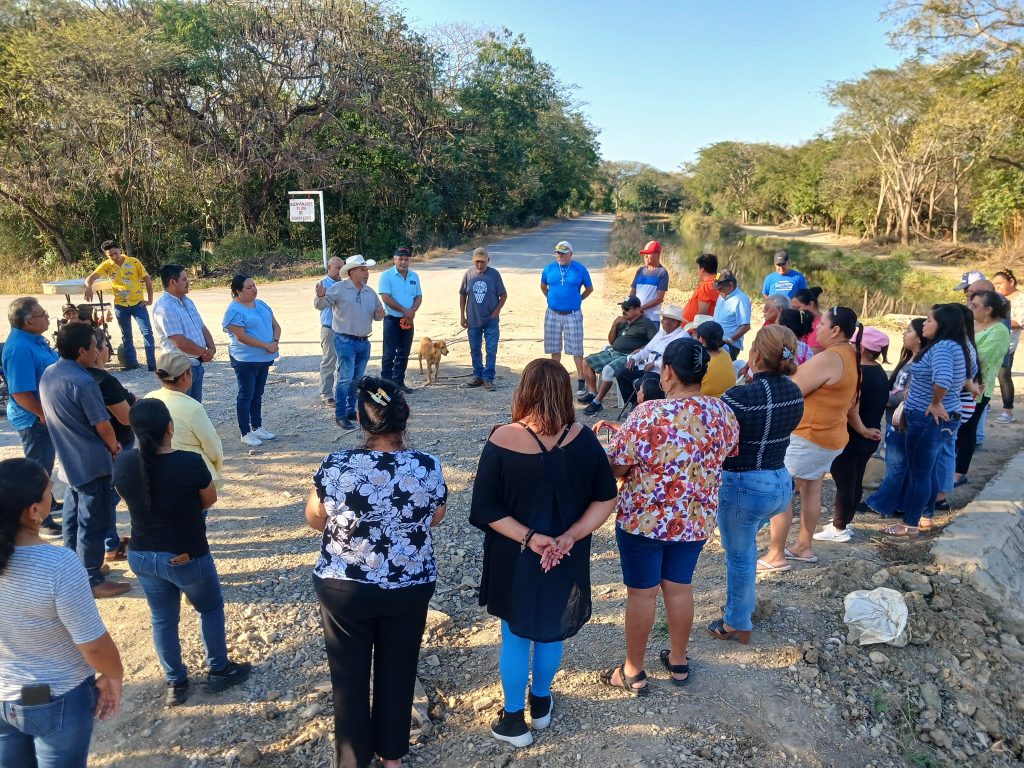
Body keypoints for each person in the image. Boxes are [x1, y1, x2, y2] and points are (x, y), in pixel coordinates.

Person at [470, 360, 616, 745]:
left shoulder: (503, 438)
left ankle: (513, 720)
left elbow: (484, 507)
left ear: (524, 391)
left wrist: (529, 537)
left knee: (515, 635)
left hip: (514, 556)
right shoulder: (584, 439)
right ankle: (541, 703)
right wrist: (570, 536)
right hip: (565, 555)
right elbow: (606, 497)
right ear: (565, 393)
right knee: (551, 630)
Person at [306, 377, 448, 768]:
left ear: (359, 419)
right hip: (409, 584)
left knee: (348, 679)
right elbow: (435, 517)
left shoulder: (336, 465)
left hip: (344, 586)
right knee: (398, 670)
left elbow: (315, 518)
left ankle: (352, 760)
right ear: (406, 416)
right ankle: (392, 757)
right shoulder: (428, 465)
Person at [604, 338, 739, 693]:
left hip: (643, 521)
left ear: (667, 373)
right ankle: (678, 661)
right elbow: (727, 451)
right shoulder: (722, 412)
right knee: (679, 589)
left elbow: (617, 467)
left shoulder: (647, 413)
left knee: (642, 595)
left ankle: (633, 671)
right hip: (695, 519)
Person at [114, 399, 250, 707]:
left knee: (162, 619)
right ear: (170, 428)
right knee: (210, 608)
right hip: (185, 555)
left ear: (133, 430)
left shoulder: (123, 462)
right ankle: (219, 670)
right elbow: (209, 500)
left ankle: (175, 682)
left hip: (142, 555)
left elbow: (123, 493)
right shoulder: (189, 462)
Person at [0, 458, 123, 767]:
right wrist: (114, 674)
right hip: (58, 695)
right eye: (48, 490)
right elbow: (92, 644)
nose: (53, 496)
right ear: (34, 510)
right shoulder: (58, 565)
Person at [711, 326, 804, 643]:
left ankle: (737, 622)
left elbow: (717, 438)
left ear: (755, 355)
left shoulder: (738, 397)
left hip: (744, 486)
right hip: (781, 483)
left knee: (740, 556)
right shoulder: (794, 392)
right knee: (746, 549)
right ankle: (741, 610)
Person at [761, 307, 861, 571]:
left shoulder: (830, 357)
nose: (817, 328)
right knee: (811, 489)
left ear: (836, 330)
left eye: (822, 324)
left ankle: (776, 555)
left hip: (810, 436)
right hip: (830, 435)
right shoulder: (852, 354)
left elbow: (791, 390)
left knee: (782, 492)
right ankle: (803, 547)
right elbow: (853, 403)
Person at [38, 323, 129, 597]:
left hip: (69, 458)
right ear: (82, 351)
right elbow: (103, 426)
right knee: (93, 521)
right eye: (93, 347)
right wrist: (114, 447)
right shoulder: (84, 381)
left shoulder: (50, 373)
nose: (98, 352)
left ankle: (73, 567)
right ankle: (90, 578)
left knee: (73, 515)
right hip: (93, 463)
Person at [882, 304, 973, 537]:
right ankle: (925, 515)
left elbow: (942, 380)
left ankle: (909, 524)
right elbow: (967, 375)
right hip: (939, 416)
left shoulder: (942, 348)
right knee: (928, 471)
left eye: (929, 320)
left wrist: (935, 402)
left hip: (928, 418)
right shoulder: (956, 346)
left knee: (918, 473)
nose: (924, 324)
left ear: (942, 325)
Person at [814, 327, 890, 543]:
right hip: (870, 436)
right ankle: (845, 521)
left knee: (845, 483)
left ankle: (839, 528)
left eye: (851, 344)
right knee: (855, 481)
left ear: (862, 349)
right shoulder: (880, 372)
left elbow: (850, 409)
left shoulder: (859, 374)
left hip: (852, 436)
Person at [2, 297, 63, 538]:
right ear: (28, 322)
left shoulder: (35, 340)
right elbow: (20, 392)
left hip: (43, 414)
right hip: (34, 419)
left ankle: (50, 502)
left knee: (46, 462)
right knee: (38, 467)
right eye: (42, 314)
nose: (47, 317)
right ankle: (41, 519)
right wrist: (42, 413)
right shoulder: (19, 349)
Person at [316, 255, 386, 429]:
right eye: (363, 270)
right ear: (352, 272)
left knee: (356, 379)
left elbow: (377, 314)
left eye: (367, 270)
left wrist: (380, 314)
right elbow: (321, 305)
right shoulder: (339, 288)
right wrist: (320, 296)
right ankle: (340, 414)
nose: (366, 273)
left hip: (364, 342)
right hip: (345, 341)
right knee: (345, 378)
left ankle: (349, 410)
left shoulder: (369, 292)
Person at [865, 320, 926, 517]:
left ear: (920, 338)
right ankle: (900, 504)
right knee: (901, 466)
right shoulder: (909, 360)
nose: (904, 334)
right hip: (896, 420)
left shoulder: (919, 365)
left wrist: (883, 398)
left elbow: (907, 395)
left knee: (896, 466)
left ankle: (881, 504)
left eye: (908, 331)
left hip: (902, 423)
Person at [87, 329, 135, 564]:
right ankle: (110, 547)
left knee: (106, 498)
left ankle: (111, 541)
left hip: (100, 445)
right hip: (117, 444)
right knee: (110, 498)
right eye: (106, 345)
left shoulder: (85, 376)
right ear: (96, 352)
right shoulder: (104, 381)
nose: (109, 349)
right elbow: (126, 418)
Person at [145, 350, 225, 489]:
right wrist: (216, 466)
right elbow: (211, 443)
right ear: (185, 376)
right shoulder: (193, 407)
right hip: (191, 472)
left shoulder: (149, 398)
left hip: (157, 470)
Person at [954, 291, 1011, 485]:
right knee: (954, 427)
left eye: (975, 305)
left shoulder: (1000, 331)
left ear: (988, 310)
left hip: (978, 387)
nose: (970, 308)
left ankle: (959, 472)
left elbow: (983, 359)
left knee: (967, 429)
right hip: (960, 384)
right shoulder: (970, 324)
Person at [224, 274, 281, 446]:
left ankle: (257, 427)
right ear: (238, 291)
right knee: (246, 394)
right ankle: (245, 432)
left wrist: (275, 342)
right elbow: (241, 337)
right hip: (245, 360)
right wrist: (266, 345)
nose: (254, 289)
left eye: (254, 285)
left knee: (258, 393)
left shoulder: (261, 304)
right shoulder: (234, 311)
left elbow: (276, 325)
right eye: (249, 287)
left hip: (264, 358)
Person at [84, 239, 156, 371]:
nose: (114, 256)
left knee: (147, 332)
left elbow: (147, 280)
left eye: (115, 253)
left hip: (138, 303)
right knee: (126, 335)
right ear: (106, 255)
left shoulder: (134, 262)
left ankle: (152, 364)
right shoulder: (107, 265)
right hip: (120, 305)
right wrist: (88, 287)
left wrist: (149, 300)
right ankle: (132, 364)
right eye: (110, 255)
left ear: (119, 250)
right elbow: (91, 277)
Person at [578, 296, 658, 415]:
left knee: (608, 370)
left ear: (637, 309)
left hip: (628, 356)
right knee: (586, 361)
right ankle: (592, 393)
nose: (623, 311)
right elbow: (611, 341)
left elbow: (655, 342)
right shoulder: (622, 322)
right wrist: (615, 324)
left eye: (627, 309)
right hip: (613, 352)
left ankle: (597, 402)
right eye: (622, 308)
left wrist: (642, 349)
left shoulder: (646, 323)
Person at [151, 264, 216, 402]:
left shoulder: (187, 301)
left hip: (195, 364)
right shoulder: (165, 308)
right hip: (179, 369)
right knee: (181, 407)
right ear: (172, 282)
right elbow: (179, 342)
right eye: (184, 279)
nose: (188, 282)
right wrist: (204, 352)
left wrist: (211, 347)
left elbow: (201, 326)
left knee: (194, 406)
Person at [541, 240, 594, 394]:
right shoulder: (549, 268)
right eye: (558, 253)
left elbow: (589, 288)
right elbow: (543, 286)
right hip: (553, 313)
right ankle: (554, 379)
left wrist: (578, 299)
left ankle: (581, 379)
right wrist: (551, 299)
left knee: (577, 348)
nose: (560, 256)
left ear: (571, 254)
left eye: (563, 253)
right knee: (554, 347)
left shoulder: (580, 269)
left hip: (573, 314)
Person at [613, 304, 688, 407]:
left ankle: (644, 407)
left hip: (662, 372)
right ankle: (634, 403)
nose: (661, 321)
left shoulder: (682, 337)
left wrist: (655, 363)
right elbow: (647, 349)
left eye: (664, 319)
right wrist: (634, 358)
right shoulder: (662, 332)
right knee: (621, 373)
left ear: (674, 322)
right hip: (647, 367)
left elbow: (675, 361)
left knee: (641, 384)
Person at [459, 247, 507, 392]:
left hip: (491, 320)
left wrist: (497, 311)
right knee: (475, 349)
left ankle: (488, 378)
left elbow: (503, 295)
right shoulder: (468, 274)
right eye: (477, 262)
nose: (479, 264)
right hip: (473, 319)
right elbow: (462, 294)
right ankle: (478, 375)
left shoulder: (494, 274)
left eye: (482, 262)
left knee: (491, 349)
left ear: (488, 260)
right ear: (473, 261)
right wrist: (462, 315)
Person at [378, 246, 422, 393]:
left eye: (406, 259)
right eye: (400, 259)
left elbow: (419, 296)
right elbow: (385, 297)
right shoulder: (386, 276)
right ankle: (386, 385)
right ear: (394, 259)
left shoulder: (414, 276)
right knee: (389, 353)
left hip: (408, 320)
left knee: (404, 353)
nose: (403, 262)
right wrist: (404, 310)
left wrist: (412, 311)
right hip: (392, 319)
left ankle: (398, 383)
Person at [993, 269, 1024, 424]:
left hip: (1007, 344)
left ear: (1011, 282)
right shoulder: (997, 297)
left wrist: (994, 321)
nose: (997, 287)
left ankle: (1007, 411)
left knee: (1003, 376)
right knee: (986, 374)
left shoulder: (1020, 299)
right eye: (995, 284)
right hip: (990, 341)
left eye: (1000, 283)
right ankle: (985, 404)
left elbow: (1019, 322)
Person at [318, 257, 344, 404]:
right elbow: (319, 305)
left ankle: (344, 391)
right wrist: (321, 295)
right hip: (329, 328)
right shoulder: (323, 284)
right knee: (329, 361)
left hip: (344, 329)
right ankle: (326, 394)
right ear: (329, 268)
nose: (340, 271)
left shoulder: (345, 284)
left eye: (342, 267)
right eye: (338, 268)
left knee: (345, 361)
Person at [711, 270, 752, 360]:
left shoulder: (741, 300)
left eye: (720, 288)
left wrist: (730, 339)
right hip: (716, 342)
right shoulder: (721, 296)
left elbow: (746, 326)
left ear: (730, 285)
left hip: (729, 345)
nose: (718, 291)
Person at [630, 241, 670, 321]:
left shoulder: (662, 273)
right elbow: (632, 292)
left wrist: (641, 308)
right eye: (645, 254)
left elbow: (659, 298)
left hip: (652, 319)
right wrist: (632, 308)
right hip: (636, 317)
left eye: (649, 253)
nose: (645, 256)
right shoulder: (640, 270)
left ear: (658, 254)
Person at [695, 321, 735, 397]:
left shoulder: (703, 364)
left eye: (695, 335)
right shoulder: (725, 353)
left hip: (707, 400)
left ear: (701, 340)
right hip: (727, 397)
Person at [682, 253, 719, 323]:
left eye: (698, 268)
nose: (697, 271)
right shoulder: (718, 282)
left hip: (694, 328)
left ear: (702, 270)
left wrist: (696, 328)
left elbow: (702, 314)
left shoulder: (707, 286)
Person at [790, 287, 824, 353]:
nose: (794, 312)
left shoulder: (820, 325)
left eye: (797, 308)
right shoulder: (808, 322)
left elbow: (815, 352)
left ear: (811, 305)